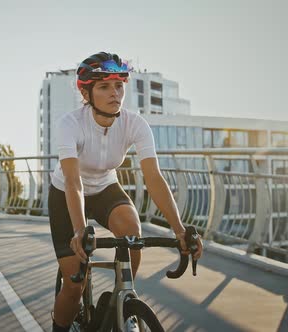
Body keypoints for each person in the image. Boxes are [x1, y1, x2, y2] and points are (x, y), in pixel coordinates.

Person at [49, 51, 204, 332]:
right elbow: (73, 181)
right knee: (74, 286)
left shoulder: (135, 124)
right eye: (105, 86)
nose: (115, 93)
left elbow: (154, 178)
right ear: (86, 93)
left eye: (119, 85)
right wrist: (80, 230)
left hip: (106, 186)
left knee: (132, 233)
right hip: (67, 194)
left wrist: (179, 230)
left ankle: (121, 302)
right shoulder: (70, 124)